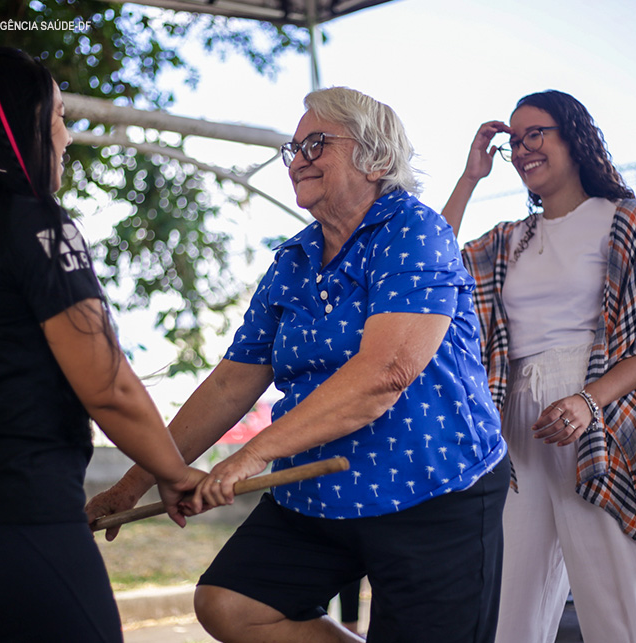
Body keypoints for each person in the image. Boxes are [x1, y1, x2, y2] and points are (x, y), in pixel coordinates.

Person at [87, 86, 510, 643]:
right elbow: (231, 383)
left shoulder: (414, 231)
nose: (298, 160)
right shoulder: (294, 259)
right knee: (230, 604)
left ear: (377, 160)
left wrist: (249, 457)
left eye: (317, 144)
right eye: (294, 149)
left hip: (432, 489)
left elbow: (385, 375)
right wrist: (135, 483)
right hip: (319, 492)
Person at [0, 48, 205, 643]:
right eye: (58, 116)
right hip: (13, 522)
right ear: (22, 126)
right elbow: (108, 387)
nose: (66, 136)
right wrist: (174, 472)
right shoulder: (38, 224)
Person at [442, 89, 636, 643]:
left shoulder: (625, 220)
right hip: (517, 424)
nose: (522, 149)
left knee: (618, 608)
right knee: (506, 606)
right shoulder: (509, 240)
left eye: (536, 133)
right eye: (514, 142)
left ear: (574, 138)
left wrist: (588, 402)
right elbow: (430, 261)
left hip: (603, 416)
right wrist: (470, 178)